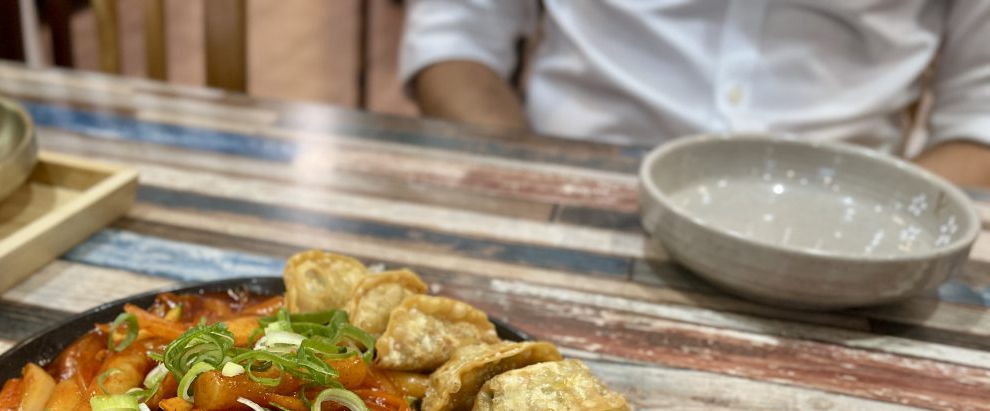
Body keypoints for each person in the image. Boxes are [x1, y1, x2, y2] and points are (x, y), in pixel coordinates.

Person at [398, 0, 990, 187]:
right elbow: (456, 36)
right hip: (568, 179)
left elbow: (979, 121)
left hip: (847, 208)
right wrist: (531, 177)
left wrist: (877, 228)